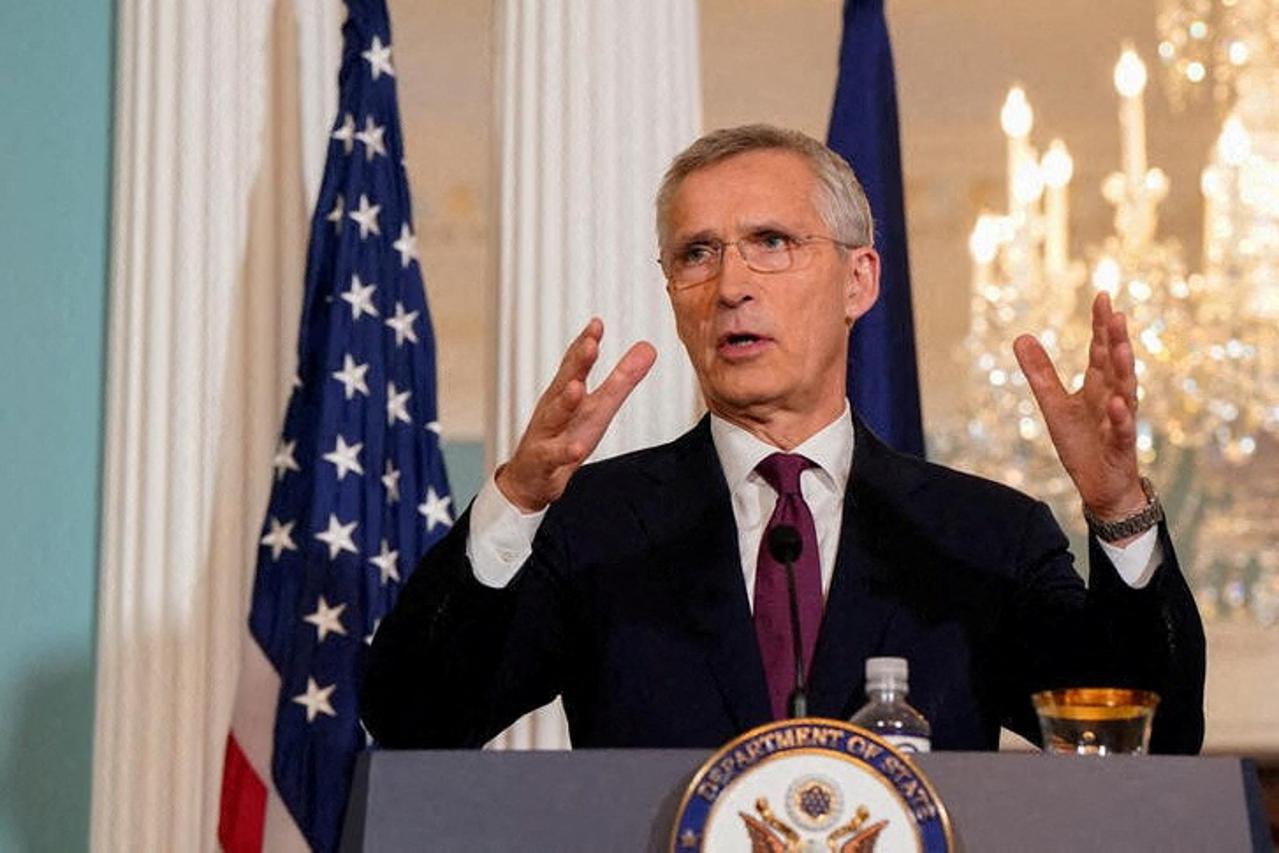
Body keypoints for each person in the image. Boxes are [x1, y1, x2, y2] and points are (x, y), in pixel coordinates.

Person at [361, 125, 1204, 752]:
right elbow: (413, 719)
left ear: (858, 279)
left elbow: (1148, 747)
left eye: (770, 243)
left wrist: (1118, 508)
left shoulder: (982, 535)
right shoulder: (594, 525)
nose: (731, 286)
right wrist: (513, 500)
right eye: (697, 253)